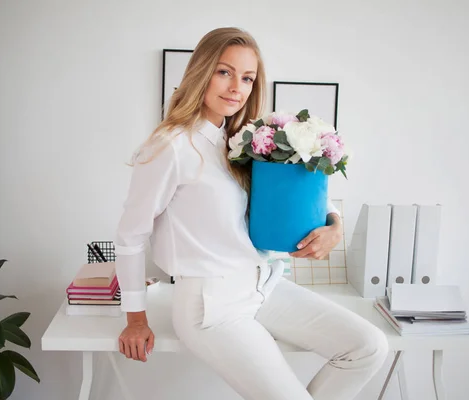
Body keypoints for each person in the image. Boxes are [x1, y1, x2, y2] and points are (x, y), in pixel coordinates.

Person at [114, 27, 389, 400]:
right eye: (224, 72)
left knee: (369, 347)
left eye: (247, 78)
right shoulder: (171, 146)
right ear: (201, 71)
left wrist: (335, 225)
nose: (236, 87)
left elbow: (300, 192)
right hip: (211, 304)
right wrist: (135, 319)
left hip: (263, 285)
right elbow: (131, 236)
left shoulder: (246, 140)